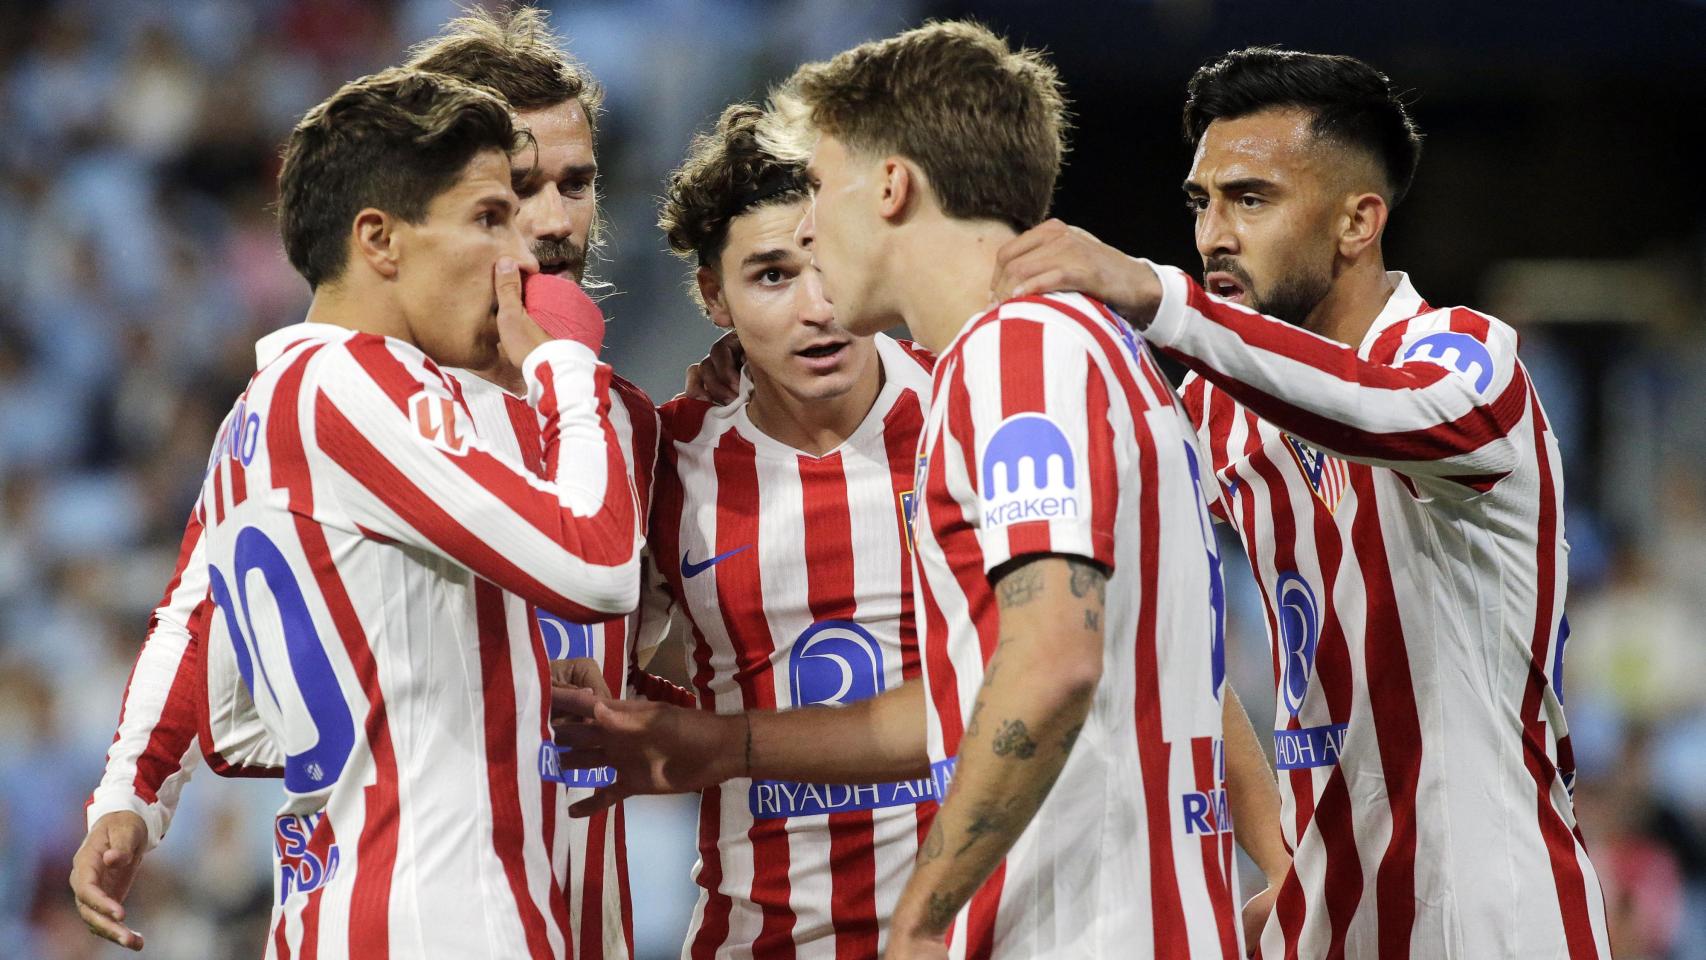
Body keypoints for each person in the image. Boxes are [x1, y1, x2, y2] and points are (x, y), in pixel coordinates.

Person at [990, 46, 1610, 960]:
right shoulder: (1219, 404)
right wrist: (1278, 850)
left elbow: (1384, 410)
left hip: (1491, 921)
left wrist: (1158, 297)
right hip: (1323, 928)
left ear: (1359, 220)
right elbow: (1153, 606)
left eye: (1251, 199)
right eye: (1201, 202)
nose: (1211, 237)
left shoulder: (1467, 358)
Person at [73, 11, 659, 958]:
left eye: (575, 185)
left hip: (413, 902)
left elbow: (207, 645)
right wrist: (567, 373)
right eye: (501, 204)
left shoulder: (274, 403)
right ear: (387, 232)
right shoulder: (389, 391)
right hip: (456, 909)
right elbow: (595, 563)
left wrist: (132, 797)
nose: (542, 232)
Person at [658, 22, 1237, 960]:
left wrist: (920, 918)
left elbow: (1052, 662)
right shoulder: (1091, 347)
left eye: (817, 185)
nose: (808, 225)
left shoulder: (1017, 354)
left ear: (890, 186)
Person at [639, 101, 939, 958]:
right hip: (759, 937)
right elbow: (599, 678)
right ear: (713, 296)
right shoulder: (668, 461)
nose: (818, 307)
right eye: (771, 275)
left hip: (984, 930)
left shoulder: (976, 409)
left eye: (829, 261)